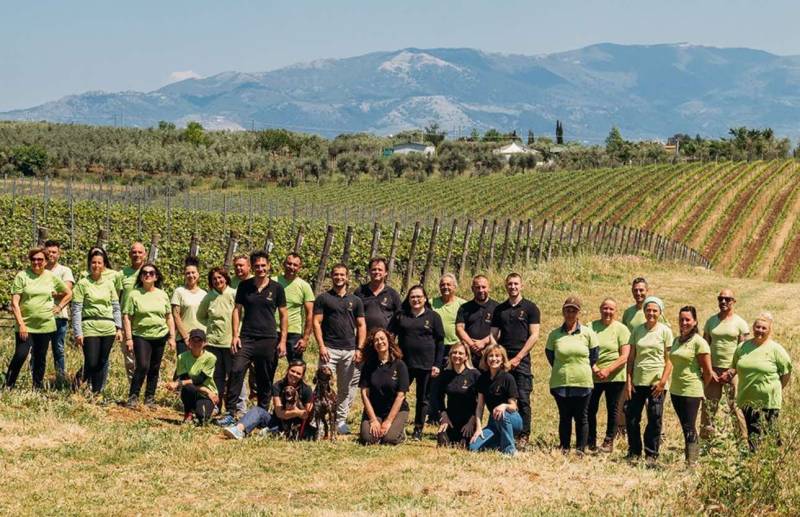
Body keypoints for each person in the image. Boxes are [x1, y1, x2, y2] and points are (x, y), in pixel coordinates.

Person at [223, 251, 287, 424]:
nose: (260, 269)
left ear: (268, 266)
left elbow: (283, 315)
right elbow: (237, 310)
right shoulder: (244, 286)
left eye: (263, 265)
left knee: (264, 377)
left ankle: (262, 413)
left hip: (268, 339)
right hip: (247, 338)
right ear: (252, 267)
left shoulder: (277, 288)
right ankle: (230, 412)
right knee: (236, 371)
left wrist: (282, 341)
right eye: (257, 266)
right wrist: (235, 335)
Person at [5, 247, 72, 389]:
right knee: (20, 355)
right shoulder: (22, 276)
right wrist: (21, 324)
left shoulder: (50, 276)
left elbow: (69, 293)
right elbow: (15, 303)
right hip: (25, 325)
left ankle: (37, 387)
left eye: (40, 259)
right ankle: (7, 385)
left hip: (45, 325)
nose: (36, 262)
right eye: (33, 259)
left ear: (46, 261)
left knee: (40, 357)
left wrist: (59, 307)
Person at [313, 263, 367, 435]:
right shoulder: (323, 298)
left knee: (345, 387)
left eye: (342, 275)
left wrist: (359, 348)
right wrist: (321, 346)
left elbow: (361, 325)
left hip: (349, 350)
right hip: (329, 348)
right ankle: (320, 420)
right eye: (336, 274)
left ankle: (340, 420)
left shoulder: (355, 301)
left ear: (347, 277)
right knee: (323, 385)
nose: (339, 278)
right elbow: (316, 322)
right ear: (332, 276)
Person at [726, 313, 792, 451]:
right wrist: (727, 374)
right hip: (747, 399)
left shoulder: (775, 349)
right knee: (753, 434)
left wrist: (778, 388)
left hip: (769, 400)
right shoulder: (742, 347)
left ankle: (778, 460)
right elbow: (735, 366)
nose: (760, 330)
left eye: (764, 328)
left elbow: (786, 372)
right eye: (758, 327)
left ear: (769, 330)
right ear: (753, 328)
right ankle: (754, 464)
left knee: (771, 433)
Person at [490, 272, 540, 449]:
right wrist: (499, 355)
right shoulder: (499, 310)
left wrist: (518, 358)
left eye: (516, 284)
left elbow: (534, 336)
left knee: (523, 397)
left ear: (521, 286)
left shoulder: (531, 308)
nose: (513, 287)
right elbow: (493, 336)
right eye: (510, 284)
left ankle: (523, 435)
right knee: (502, 396)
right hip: (503, 360)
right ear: (506, 286)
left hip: (522, 360)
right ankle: (502, 431)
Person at [389, 285, 445, 440]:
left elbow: (440, 342)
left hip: (426, 364)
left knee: (423, 398)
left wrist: (437, 364)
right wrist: (392, 356)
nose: (416, 300)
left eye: (419, 296)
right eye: (412, 297)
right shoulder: (401, 316)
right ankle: (396, 424)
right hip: (404, 363)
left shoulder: (433, 317)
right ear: (408, 299)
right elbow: (390, 336)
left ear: (425, 298)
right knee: (398, 394)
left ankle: (418, 429)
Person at [545, 297, 599, 453]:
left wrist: (580, 368)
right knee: (565, 416)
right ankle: (565, 447)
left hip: (583, 381)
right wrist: (563, 368)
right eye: (567, 310)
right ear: (563, 311)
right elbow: (550, 355)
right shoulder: (554, 335)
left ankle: (581, 448)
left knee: (582, 417)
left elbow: (594, 355)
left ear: (578, 313)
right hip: (560, 381)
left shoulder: (588, 333)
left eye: (573, 310)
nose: (570, 313)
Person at [625, 296, 673, 462]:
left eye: (655, 310)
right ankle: (634, 451)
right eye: (648, 310)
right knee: (631, 418)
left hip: (656, 383)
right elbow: (631, 359)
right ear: (644, 311)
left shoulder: (665, 331)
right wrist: (629, 381)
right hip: (638, 381)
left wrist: (662, 382)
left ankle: (651, 453)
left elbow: (670, 360)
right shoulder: (637, 330)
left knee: (654, 418)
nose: (651, 313)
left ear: (660, 312)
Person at [122, 263, 176, 407]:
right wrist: (128, 338)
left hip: (160, 335)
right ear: (140, 276)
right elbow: (127, 317)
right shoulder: (134, 294)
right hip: (141, 335)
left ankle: (150, 398)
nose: (148, 275)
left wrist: (171, 336)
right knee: (143, 365)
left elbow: (169, 317)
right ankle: (133, 396)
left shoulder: (162, 294)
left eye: (151, 273)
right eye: (144, 273)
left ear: (156, 277)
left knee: (155, 367)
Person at [72, 248, 122, 395]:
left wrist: (118, 328)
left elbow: (116, 307)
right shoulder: (82, 284)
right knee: (91, 362)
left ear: (104, 264)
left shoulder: (109, 284)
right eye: (93, 262)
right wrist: (78, 332)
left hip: (108, 327)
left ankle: (97, 393)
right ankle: (75, 386)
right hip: (90, 326)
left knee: (101, 362)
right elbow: (76, 310)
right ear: (90, 264)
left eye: (99, 262)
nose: (96, 265)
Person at [701, 289, 750, 439]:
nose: (723, 302)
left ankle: (741, 441)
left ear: (734, 302)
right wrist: (709, 370)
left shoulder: (740, 323)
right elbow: (704, 347)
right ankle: (706, 441)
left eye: (727, 299)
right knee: (709, 407)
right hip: (713, 371)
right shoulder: (711, 322)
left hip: (732, 371)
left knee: (735, 407)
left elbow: (744, 352)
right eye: (720, 299)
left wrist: (732, 371)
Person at [223, 359, 314, 440]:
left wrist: (301, 413)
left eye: (298, 373)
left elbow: (307, 415)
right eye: (292, 371)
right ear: (287, 370)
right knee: (257, 410)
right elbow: (279, 413)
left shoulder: (306, 389)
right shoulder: (278, 386)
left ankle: (271, 432)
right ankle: (238, 429)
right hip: (277, 420)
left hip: (295, 426)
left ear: (302, 376)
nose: (294, 374)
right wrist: (297, 412)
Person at [670, 306, 714, 465]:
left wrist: (700, 387)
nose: (684, 322)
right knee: (685, 426)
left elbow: (708, 372)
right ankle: (690, 457)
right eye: (681, 319)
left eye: (687, 319)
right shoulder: (676, 340)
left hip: (691, 391)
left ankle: (692, 462)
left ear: (695, 321)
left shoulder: (699, 342)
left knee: (689, 427)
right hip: (675, 390)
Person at [587, 298, 630, 452]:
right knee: (590, 409)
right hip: (594, 375)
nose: (608, 312)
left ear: (616, 311)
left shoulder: (622, 329)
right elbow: (586, 350)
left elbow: (625, 356)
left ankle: (608, 441)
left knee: (613, 409)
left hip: (615, 376)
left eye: (611, 309)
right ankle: (590, 440)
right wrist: (595, 368)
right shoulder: (590, 327)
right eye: (605, 308)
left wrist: (608, 370)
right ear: (600, 309)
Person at [196, 267, 237, 416]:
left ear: (226, 278)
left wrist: (236, 334)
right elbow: (200, 315)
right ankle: (217, 405)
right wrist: (211, 326)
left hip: (230, 343)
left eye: (220, 277)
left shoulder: (233, 294)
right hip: (213, 343)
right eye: (214, 279)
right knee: (216, 377)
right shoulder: (209, 297)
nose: (218, 281)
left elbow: (242, 315)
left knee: (233, 375)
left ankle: (234, 408)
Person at [359, 328, 410, 445]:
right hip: (375, 410)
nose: (379, 342)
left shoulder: (399, 365)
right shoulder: (368, 365)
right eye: (376, 340)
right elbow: (364, 394)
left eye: (382, 338)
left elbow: (401, 396)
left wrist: (388, 421)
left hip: (396, 410)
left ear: (389, 341)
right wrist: (372, 420)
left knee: (389, 440)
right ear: (373, 345)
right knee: (368, 439)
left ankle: (400, 433)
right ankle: (376, 427)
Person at [469, 344, 522, 456]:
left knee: (502, 413)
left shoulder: (508, 378)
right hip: (494, 422)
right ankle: (501, 442)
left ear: (502, 359)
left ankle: (510, 451)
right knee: (473, 447)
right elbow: (479, 407)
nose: (494, 359)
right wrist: (478, 428)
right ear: (486, 359)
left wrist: (504, 406)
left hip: (512, 419)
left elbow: (514, 407)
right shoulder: (482, 379)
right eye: (491, 356)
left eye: (497, 356)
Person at [428, 273, 466, 423]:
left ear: (455, 287)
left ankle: (452, 412)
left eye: (449, 284)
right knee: (434, 383)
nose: (445, 287)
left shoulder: (462, 305)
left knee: (452, 381)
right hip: (436, 347)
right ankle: (433, 414)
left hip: (455, 347)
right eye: (443, 284)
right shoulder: (431, 303)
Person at [167, 329, 219, 424]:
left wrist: (178, 383)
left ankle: (205, 410)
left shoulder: (211, 358)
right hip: (197, 391)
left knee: (202, 418)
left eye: (199, 340)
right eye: (193, 340)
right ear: (189, 342)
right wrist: (207, 391)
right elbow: (187, 380)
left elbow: (199, 380)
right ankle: (188, 412)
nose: (196, 343)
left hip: (206, 393)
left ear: (204, 343)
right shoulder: (182, 357)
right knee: (188, 388)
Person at [435, 342, 480, 448]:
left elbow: (480, 402)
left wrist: (472, 422)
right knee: (443, 444)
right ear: (450, 355)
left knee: (463, 446)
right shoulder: (445, 374)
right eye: (454, 353)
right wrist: (443, 416)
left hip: (468, 421)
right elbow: (438, 397)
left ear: (466, 356)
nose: (457, 356)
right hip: (450, 420)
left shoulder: (474, 375)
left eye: (460, 353)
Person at [273, 253, 314, 362]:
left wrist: (305, 338)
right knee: (267, 367)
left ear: (299, 267)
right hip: (272, 330)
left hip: (294, 333)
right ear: (284, 264)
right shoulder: (273, 281)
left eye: (295, 265)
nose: (292, 267)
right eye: (289, 263)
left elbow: (310, 314)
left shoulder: (304, 286)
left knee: (296, 366)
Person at [44, 240, 74, 383]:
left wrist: (46, 293)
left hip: (59, 316)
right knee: (39, 350)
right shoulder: (39, 268)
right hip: (41, 316)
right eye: (49, 252)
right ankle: (36, 380)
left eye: (54, 252)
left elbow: (67, 290)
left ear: (59, 254)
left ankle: (60, 380)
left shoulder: (64, 270)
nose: (51, 254)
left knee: (58, 349)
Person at [117, 242, 147, 380]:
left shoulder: (149, 272)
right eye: (134, 252)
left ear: (145, 254)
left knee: (147, 357)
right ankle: (133, 388)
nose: (137, 255)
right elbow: (116, 300)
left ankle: (151, 389)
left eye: (140, 252)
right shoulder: (122, 274)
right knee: (130, 357)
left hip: (146, 320)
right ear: (130, 255)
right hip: (127, 320)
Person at [456, 275, 498, 367]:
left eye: (483, 287)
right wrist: (472, 345)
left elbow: (500, 330)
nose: (481, 290)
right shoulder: (464, 308)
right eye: (477, 287)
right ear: (472, 289)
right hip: (469, 354)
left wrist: (483, 342)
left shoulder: (497, 308)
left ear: (489, 288)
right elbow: (459, 329)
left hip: (490, 354)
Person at [354, 257, 402, 334]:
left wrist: (393, 336)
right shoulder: (360, 292)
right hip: (363, 339)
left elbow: (399, 318)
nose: (377, 272)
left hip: (384, 341)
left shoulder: (392, 294)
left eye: (380, 270)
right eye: (374, 269)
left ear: (386, 272)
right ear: (369, 271)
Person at [171, 256, 207, 356]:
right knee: (183, 368)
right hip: (184, 338)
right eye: (188, 273)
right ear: (184, 275)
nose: (191, 275)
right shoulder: (179, 292)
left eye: (193, 272)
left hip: (201, 338)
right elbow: (176, 316)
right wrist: (186, 337)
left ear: (198, 274)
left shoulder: (204, 294)